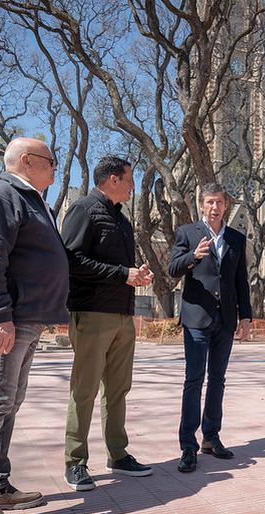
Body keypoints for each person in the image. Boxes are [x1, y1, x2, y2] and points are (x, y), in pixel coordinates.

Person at [0, 138, 70, 514]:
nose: (56, 169)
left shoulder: (32, 200)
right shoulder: (1, 195)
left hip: (25, 319)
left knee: (9, 403)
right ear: (28, 161)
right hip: (6, 321)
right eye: (51, 161)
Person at [60, 155, 155, 491]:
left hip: (123, 315)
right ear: (113, 179)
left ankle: (118, 453)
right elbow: (70, 258)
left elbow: (119, 271)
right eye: (129, 179)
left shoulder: (123, 221)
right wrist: (121, 273)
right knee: (84, 389)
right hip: (92, 313)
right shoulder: (84, 209)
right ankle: (75, 461)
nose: (133, 185)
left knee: (118, 389)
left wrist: (135, 275)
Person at [168, 182, 252, 473]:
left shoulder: (237, 238)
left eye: (219, 202)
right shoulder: (188, 233)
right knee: (194, 380)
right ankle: (188, 446)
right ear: (201, 205)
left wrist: (246, 316)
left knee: (218, 379)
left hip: (226, 320)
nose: (214, 207)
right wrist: (193, 257)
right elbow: (172, 268)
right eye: (209, 202)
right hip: (196, 320)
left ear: (225, 205)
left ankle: (211, 437)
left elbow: (241, 280)